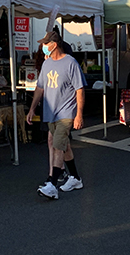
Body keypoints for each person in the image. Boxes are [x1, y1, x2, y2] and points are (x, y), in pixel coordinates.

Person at [26, 30, 84, 200]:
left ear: (54, 44)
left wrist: (79, 114)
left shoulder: (70, 63)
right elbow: (40, 87)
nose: (44, 47)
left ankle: (52, 183)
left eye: (46, 44)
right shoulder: (47, 64)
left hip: (66, 112)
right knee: (60, 143)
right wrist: (32, 108)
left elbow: (80, 90)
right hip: (51, 111)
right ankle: (75, 177)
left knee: (57, 144)